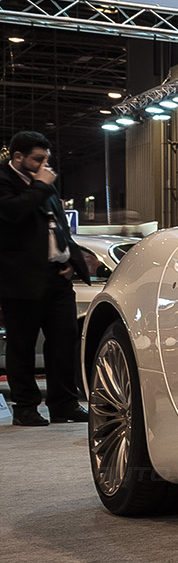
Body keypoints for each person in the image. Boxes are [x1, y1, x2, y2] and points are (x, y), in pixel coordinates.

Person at [1, 130, 91, 426]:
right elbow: (14, 213)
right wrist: (40, 185)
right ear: (18, 157)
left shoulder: (45, 183)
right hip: (21, 280)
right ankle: (25, 408)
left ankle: (64, 405)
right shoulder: (5, 181)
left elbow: (59, 225)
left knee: (64, 342)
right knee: (22, 347)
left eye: (46, 159)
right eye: (37, 159)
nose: (44, 165)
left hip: (57, 279)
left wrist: (70, 260)